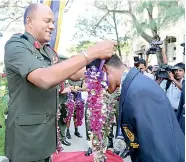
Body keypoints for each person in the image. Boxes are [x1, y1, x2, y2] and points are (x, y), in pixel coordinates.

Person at [4, 3, 116, 162]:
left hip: (46, 137)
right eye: (47, 21)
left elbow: (72, 74)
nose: (51, 26)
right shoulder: (16, 46)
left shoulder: (48, 51)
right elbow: (45, 78)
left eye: (53, 23)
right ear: (29, 22)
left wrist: (97, 69)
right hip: (26, 140)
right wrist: (90, 53)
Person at [102, 54, 185, 162]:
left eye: (99, 81)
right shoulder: (135, 84)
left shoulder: (139, 90)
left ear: (105, 70)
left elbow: (155, 142)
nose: (102, 87)